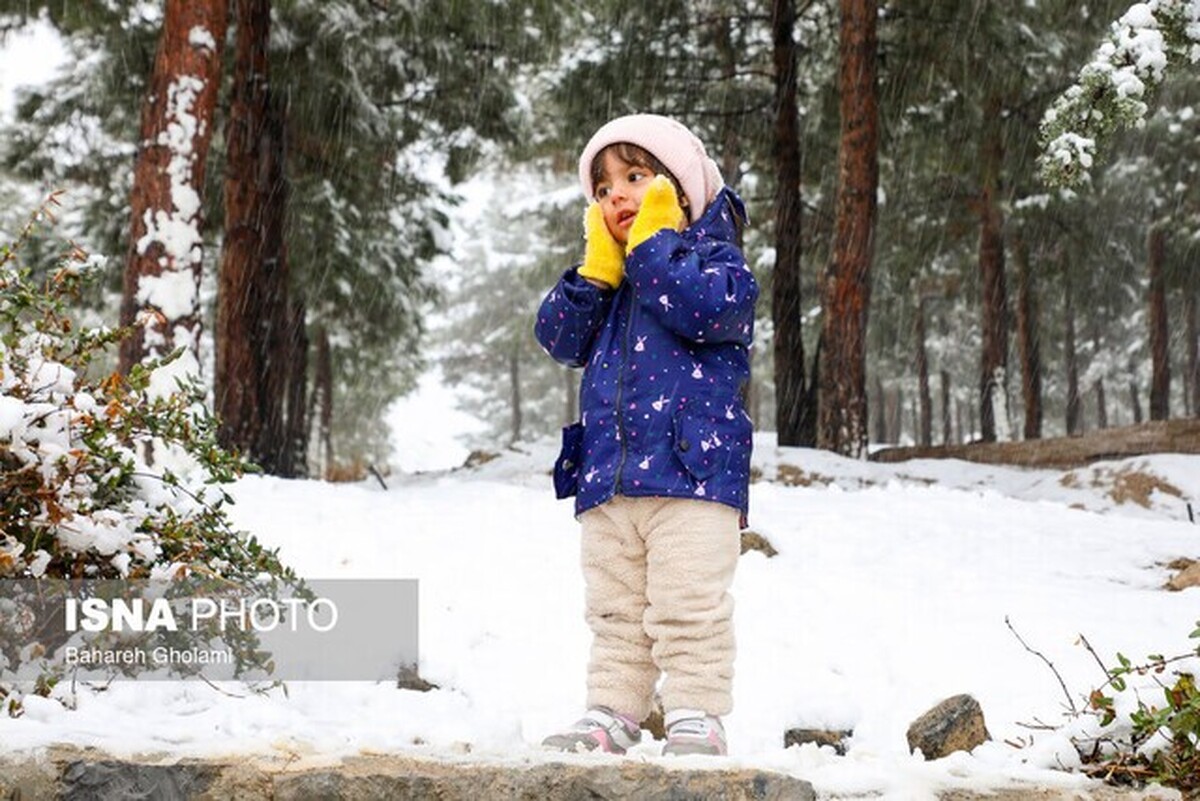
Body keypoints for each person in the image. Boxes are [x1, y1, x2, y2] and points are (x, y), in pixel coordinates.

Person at [534, 114, 758, 757]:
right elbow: (558, 339)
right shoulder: (610, 279)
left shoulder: (717, 264)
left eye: (635, 177)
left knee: (689, 607)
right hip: (608, 480)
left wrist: (653, 247)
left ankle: (696, 712)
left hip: (692, 475)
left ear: (681, 190)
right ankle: (611, 711)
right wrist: (597, 274)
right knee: (614, 613)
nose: (617, 197)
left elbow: (709, 310)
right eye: (603, 189)